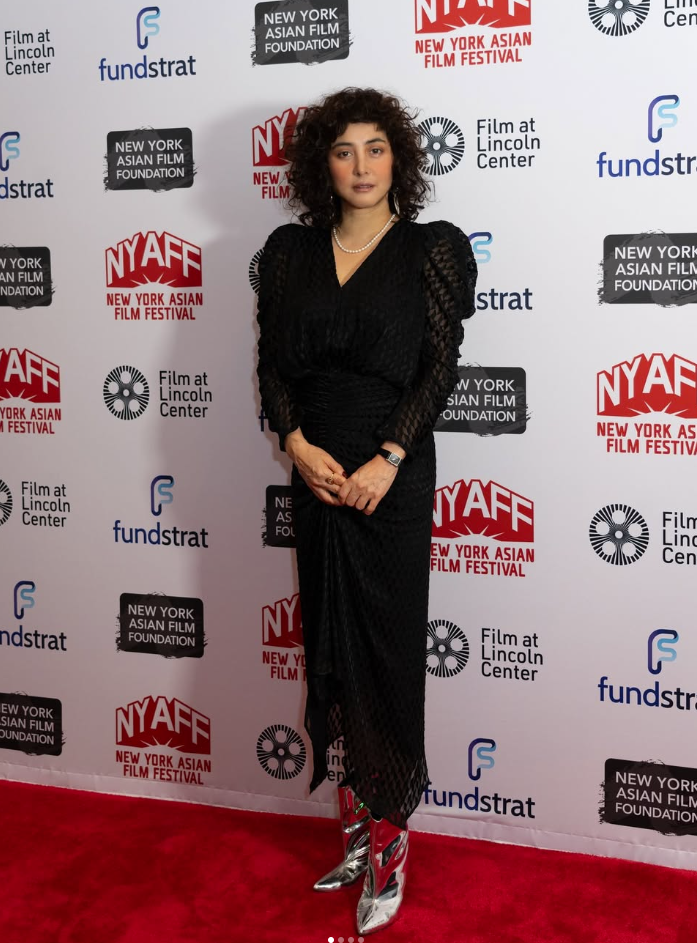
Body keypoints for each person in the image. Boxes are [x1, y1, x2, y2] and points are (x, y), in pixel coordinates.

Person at [256, 87, 477, 935]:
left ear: (398, 159)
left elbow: (437, 367)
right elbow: (271, 364)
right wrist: (294, 442)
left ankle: (392, 840)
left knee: (385, 656)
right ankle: (354, 831)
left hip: (390, 476)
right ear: (323, 164)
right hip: (317, 475)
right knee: (330, 650)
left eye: (375, 148)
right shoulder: (287, 252)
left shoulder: (431, 248)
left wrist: (388, 456)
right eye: (343, 150)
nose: (360, 165)